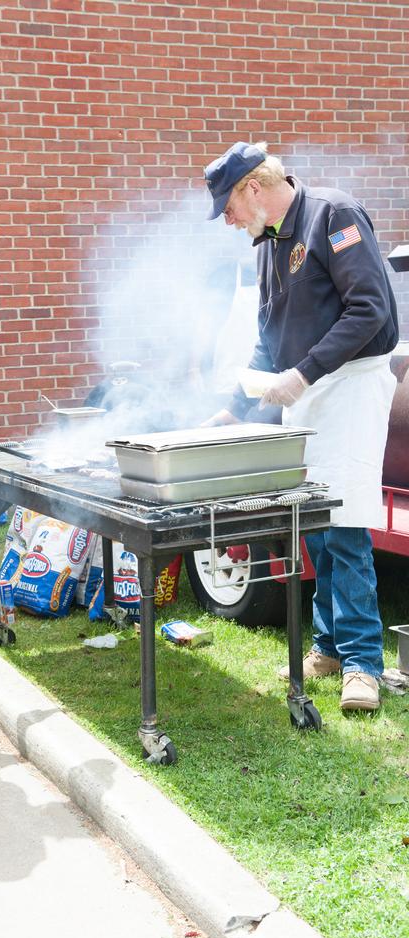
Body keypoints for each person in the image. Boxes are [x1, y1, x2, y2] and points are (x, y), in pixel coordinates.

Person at [203, 141, 399, 711]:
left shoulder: (332, 214)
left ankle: (364, 663)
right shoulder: (267, 244)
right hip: (307, 389)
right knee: (313, 523)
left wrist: (305, 373)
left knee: (347, 522)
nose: (230, 221)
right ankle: (329, 645)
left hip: (354, 385)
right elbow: (269, 337)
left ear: (253, 189)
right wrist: (234, 407)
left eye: (230, 208)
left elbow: (370, 311)